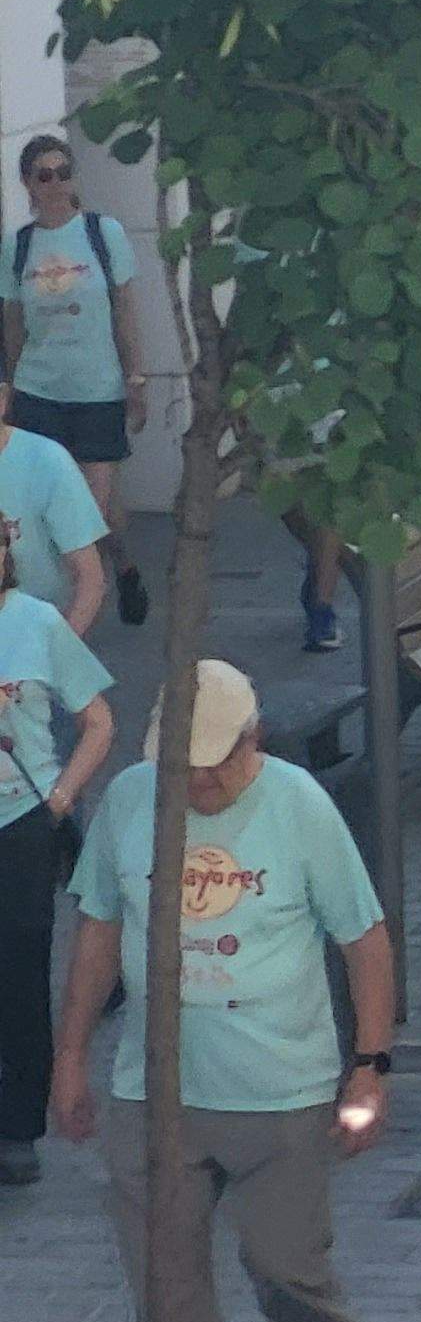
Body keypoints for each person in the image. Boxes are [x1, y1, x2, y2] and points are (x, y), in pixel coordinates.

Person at [49, 661, 387, 1322]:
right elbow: (98, 928)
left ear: (252, 740)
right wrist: (71, 1055)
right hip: (154, 1087)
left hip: (278, 1084)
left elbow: (363, 937)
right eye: (182, 767)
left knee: (284, 1266)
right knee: (165, 1287)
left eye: (212, 766)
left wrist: (369, 1067)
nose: (196, 783)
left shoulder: (299, 806)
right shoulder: (131, 799)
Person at [0, 531, 108, 1182]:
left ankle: (17, 1127)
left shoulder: (38, 623)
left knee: (19, 971)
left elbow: (100, 722)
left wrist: (60, 800)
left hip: (21, 821)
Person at [5, 139, 145, 630]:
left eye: (63, 172)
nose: (56, 184)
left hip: (97, 390)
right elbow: (13, 321)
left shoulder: (103, 234)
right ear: (28, 183)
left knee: (92, 510)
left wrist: (136, 376)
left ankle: (114, 574)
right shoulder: (18, 245)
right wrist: (9, 386)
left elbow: (124, 309)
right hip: (37, 390)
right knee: (46, 506)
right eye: (44, 176)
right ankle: (59, 617)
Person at [0, 382, 109, 636]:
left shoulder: (47, 461)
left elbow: (90, 579)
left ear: (2, 400)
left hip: (34, 634)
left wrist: (59, 649)